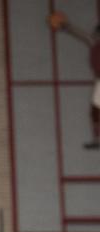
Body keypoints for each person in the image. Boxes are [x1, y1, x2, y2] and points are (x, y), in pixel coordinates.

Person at [49, 10, 100, 149]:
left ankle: (97, 139)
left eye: (96, 33)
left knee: (95, 112)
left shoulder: (94, 43)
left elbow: (82, 35)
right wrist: (66, 26)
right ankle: (96, 140)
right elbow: (82, 35)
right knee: (95, 112)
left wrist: (66, 26)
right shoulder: (93, 43)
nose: (94, 35)